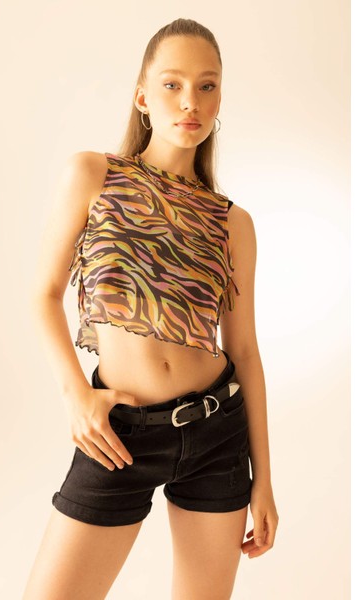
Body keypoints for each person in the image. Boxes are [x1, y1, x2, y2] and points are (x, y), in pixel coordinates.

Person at [23, 17, 279, 600]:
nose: (191, 101)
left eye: (207, 86)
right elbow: (42, 294)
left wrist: (264, 479)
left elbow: (244, 351)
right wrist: (76, 396)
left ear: (219, 98)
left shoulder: (233, 223)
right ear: (142, 96)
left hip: (217, 432)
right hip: (119, 432)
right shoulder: (93, 175)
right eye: (172, 84)